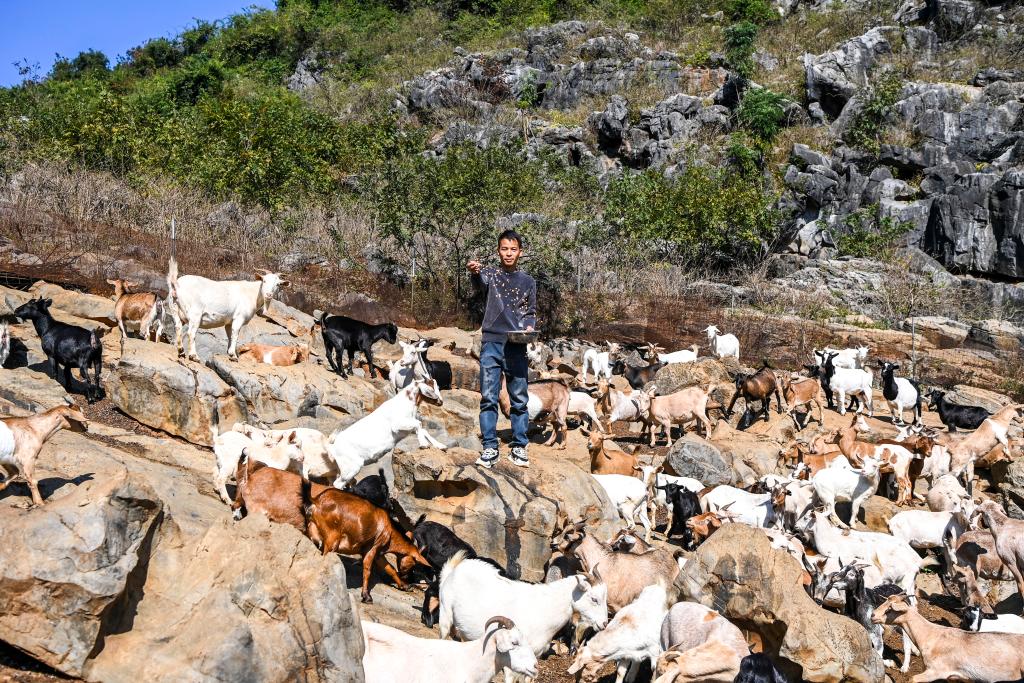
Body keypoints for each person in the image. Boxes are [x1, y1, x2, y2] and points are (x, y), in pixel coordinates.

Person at [467, 229, 536, 468]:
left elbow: (530, 312)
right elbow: (479, 285)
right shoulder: (490, 274)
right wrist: (475, 273)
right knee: (488, 397)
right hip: (491, 343)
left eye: (513, 249)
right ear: (498, 251)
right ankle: (489, 446)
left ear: (520, 252)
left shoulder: (528, 282)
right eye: (504, 249)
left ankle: (519, 446)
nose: (508, 253)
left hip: (516, 345)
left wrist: (528, 327)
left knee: (519, 398)